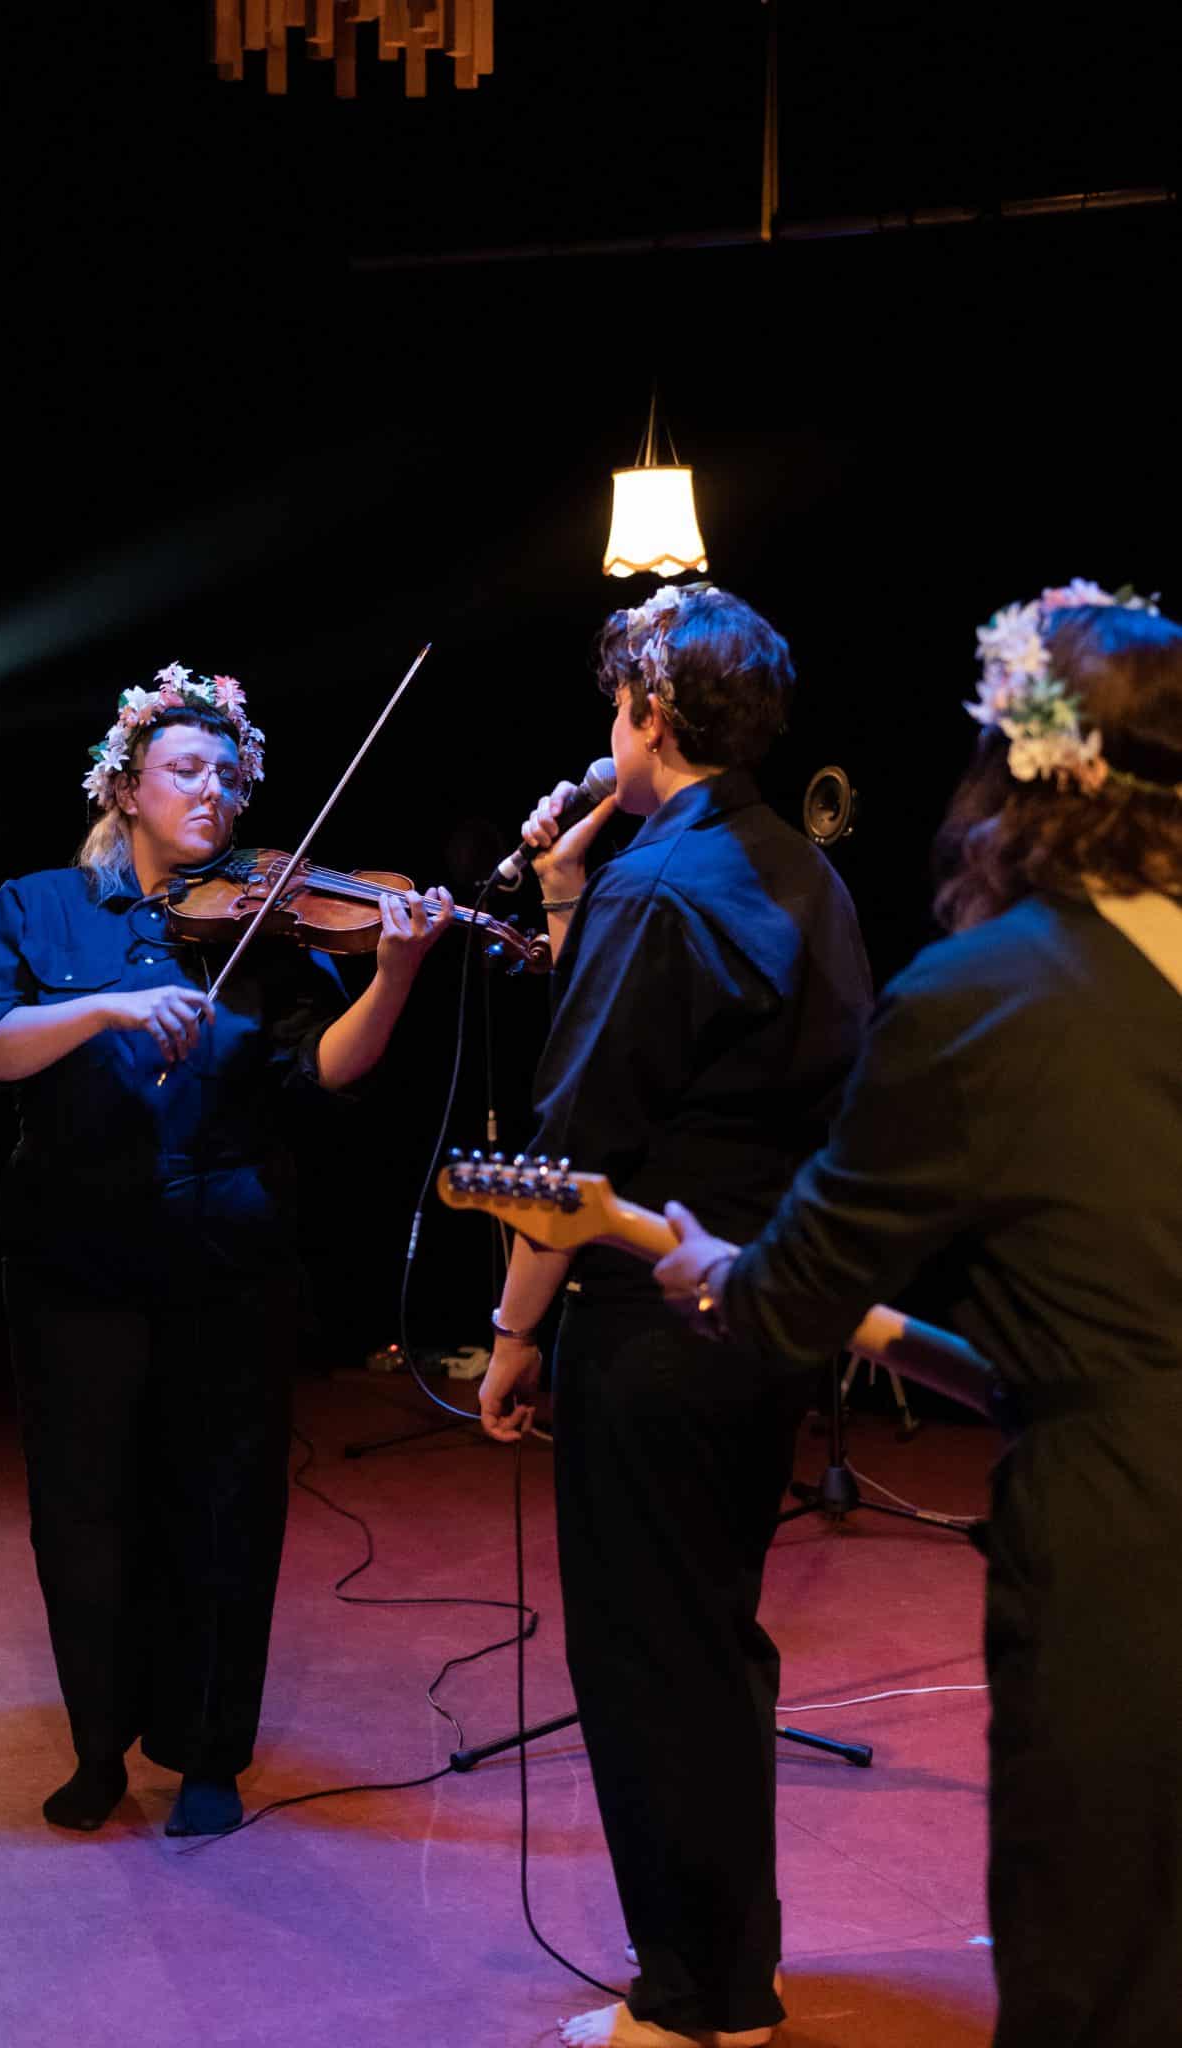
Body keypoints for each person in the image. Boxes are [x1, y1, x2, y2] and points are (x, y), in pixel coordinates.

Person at [653, 586, 1182, 2048]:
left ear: (1018, 760)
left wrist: (719, 1274)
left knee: (1102, 1969)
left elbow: (786, 1301)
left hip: (1129, 1549)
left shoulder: (982, 991)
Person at [0, 662, 453, 1836]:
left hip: (227, 1258)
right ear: (126, 787)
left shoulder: (269, 920)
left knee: (223, 1504)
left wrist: (396, 972)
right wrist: (107, 1008)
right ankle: (98, 1747)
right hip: (72, 1261)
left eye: (228, 774)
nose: (212, 791)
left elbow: (326, 1069)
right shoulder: (38, 904)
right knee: (83, 1509)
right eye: (186, 769)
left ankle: (210, 1752)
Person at [476, 587, 873, 2048]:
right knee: (712, 1649)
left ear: (649, 711)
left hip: (650, 1317)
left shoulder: (656, 887)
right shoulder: (796, 867)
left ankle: (689, 2004)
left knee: (650, 1665)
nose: (609, 730)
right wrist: (570, 899)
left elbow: (573, 1157)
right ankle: (730, 1984)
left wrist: (512, 1335)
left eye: (616, 706)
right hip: (763, 1304)